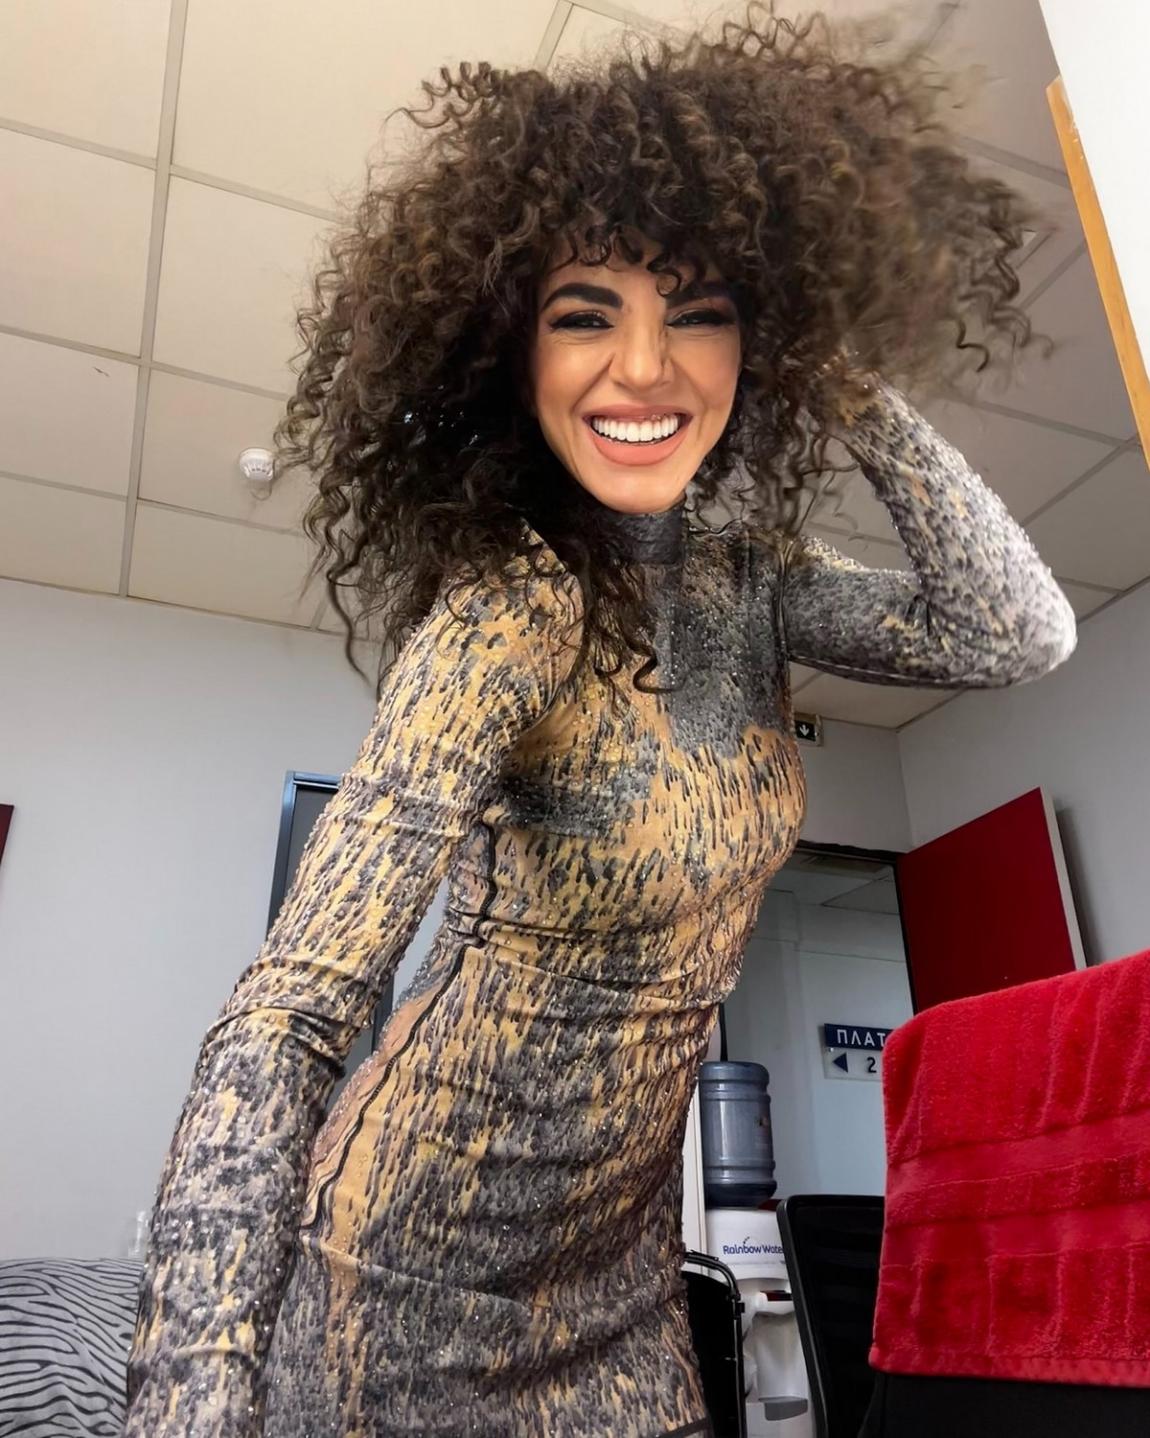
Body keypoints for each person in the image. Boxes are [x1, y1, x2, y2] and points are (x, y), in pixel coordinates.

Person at [124, 8, 1077, 1435]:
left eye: (699, 309)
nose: (644, 366)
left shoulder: (755, 582)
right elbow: (293, 1012)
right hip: (410, 1262)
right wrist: (191, 1396)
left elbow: (1014, 631)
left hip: (621, 1280)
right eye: (585, 314)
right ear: (508, 353)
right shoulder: (509, 607)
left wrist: (838, 375)